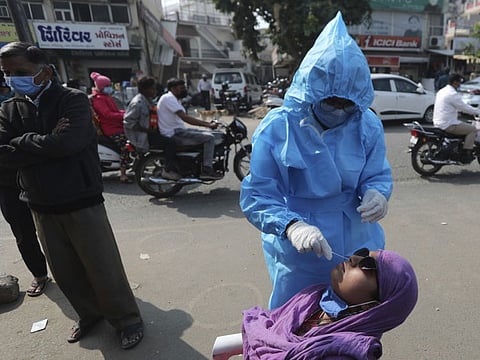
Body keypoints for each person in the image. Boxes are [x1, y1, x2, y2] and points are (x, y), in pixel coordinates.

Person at [240, 12, 393, 309]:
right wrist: (291, 226)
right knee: (298, 318)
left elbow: (376, 174)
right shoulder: (278, 126)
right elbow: (258, 195)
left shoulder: (366, 124)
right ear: (312, 90)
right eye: (331, 100)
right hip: (302, 249)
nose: (339, 109)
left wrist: (378, 193)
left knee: (356, 317)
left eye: (346, 103)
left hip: (359, 243)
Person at [0, 42, 143, 349]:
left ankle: (126, 319)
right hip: (39, 202)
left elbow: (69, 144)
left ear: (45, 72)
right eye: (7, 73)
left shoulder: (72, 100)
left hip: (81, 198)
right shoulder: (10, 108)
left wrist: (22, 142)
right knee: (65, 271)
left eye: (20, 72)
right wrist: (44, 141)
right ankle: (89, 315)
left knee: (102, 266)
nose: (12, 79)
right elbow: (3, 154)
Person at [242, 249, 418, 359]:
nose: (354, 258)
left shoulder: (344, 352)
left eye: (367, 264)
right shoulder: (311, 298)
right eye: (361, 252)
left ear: (372, 306)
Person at [0, 76, 50, 297]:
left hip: (39, 179)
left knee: (56, 231)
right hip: (8, 184)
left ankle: (74, 275)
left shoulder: (26, 104)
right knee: (24, 234)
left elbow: (51, 142)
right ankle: (40, 274)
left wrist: (26, 147)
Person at [157, 77, 221, 180]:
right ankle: (207, 170)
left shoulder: (175, 99)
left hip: (179, 130)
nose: (184, 90)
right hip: (175, 134)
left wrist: (208, 125)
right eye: (181, 88)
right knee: (209, 138)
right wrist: (208, 124)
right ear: (173, 88)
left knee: (210, 133)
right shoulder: (169, 98)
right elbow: (185, 118)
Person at [123, 76, 180, 179]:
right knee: (171, 143)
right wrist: (146, 130)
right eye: (152, 88)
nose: (155, 90)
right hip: (144, 136)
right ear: (144, 89)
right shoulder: (138, 103)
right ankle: (168, 170)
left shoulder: (148, 100)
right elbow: (128, 122)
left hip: (152, 132)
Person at [89, 71, 132, 183]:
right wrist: (125, 115)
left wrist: (126, 112)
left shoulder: (106, 97)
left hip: (117, 125)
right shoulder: (98, 99)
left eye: (109, 85)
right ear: (102, 87)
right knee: (126, 146)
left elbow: (115, 111)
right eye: (107, 86)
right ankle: (123, 174)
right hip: (111, 129)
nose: (109, 88)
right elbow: (108, 115)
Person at [433, 73, 480, 164]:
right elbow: (465, 107)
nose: (460, 84)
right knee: (472, 130)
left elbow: (452, 106)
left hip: (438, 122)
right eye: (459, 82)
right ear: (454, 82)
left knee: (463, 125)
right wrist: (478, 111)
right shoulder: (452, 94)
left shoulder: (442, 91)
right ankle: (467, 153)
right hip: (448, 124)